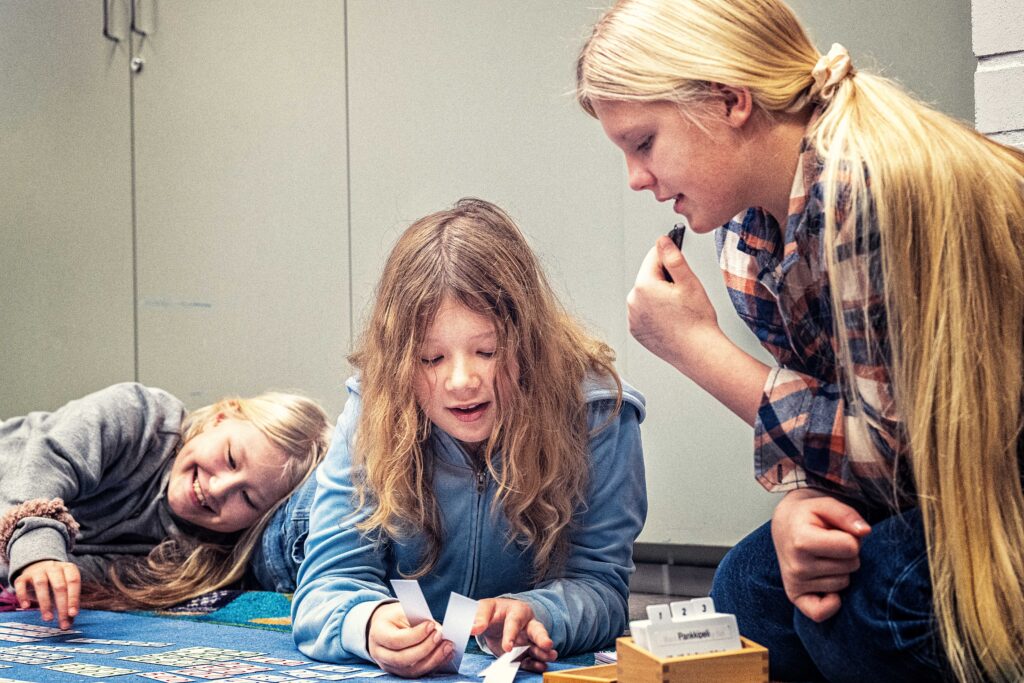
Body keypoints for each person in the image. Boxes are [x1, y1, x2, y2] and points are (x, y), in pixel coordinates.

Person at [575, 1, 1024, 682]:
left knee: (874, 599)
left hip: (993, 482)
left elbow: (902, 455)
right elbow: (844, 417)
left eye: (643, 143)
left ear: (730, 101)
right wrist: (796, 505)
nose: (638, 178)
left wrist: (697, 347)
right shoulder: (748, 239)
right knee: (751, 588)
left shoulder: (863, 184)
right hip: (932, 485)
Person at [273, 198, 647, 678]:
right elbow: (327, 584)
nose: (462, 381)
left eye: (487, 351)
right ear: (400, 362)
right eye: (432, 359)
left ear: (529, 341)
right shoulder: (374, 407)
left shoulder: (599, 412)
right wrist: (366, 625)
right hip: (290, 524)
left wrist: (539, 612)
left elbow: (602, 589)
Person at [0, 382, 331, 629]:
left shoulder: (192, 562)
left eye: (247, 498)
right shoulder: (139, 414)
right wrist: (39, 551)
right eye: (230, 458)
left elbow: (79, 576)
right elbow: (46, 462)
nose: (218, 488)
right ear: (221, 417)